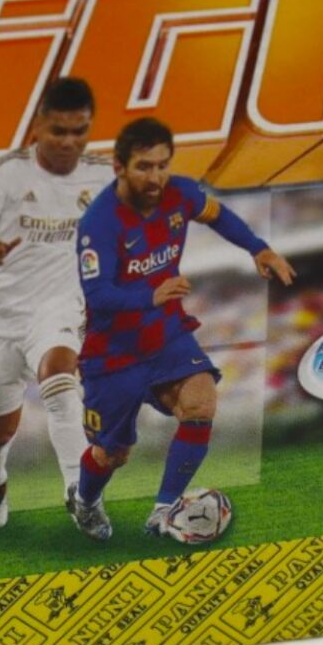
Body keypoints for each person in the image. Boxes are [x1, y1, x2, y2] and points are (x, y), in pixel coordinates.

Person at [69, 117, 294, 543]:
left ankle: (164, 510)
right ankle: (85, 500)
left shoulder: (181, 194)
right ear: (119, 167)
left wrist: (258, 248)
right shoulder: (99, 224)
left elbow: (217, 215)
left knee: (200, 403)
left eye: (162, 165)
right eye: (143, 167)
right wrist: (150, 295)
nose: (155, 177)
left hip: (166, 333)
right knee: (113, 454)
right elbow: (98, 294)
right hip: (113, 352)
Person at [0, 78, 106, 526]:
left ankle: (82, 494)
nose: (69, 142)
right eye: (58, 131)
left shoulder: (102, 176)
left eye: (79, 131)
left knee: (60, 377)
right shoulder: (5, 175)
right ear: (37, 126)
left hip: (57, 308)